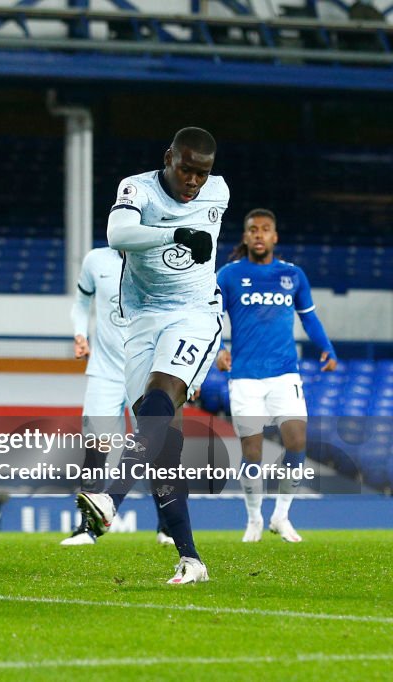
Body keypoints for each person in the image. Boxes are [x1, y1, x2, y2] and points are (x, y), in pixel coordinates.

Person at [75, 127, 228, 585]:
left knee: (161, 399)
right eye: (186, 169)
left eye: (202, 173)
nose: (194, 181)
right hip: (141, 320)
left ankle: (111, 496)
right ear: (168, 158)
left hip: (195, 315)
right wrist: (177, 232)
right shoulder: (135, 188)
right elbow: (118, 233)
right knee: (160, 444)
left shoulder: (218, 192)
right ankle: (191, 559)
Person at [216, 208, 337, 543]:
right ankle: (254, 518)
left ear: (274, 237)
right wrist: (217, 351)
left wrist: (327, 348)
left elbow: (309, 317)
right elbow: (209, 318)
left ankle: (281, 515)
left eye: (265, 229)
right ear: (245, 236)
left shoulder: (293, 275)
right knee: (252, 452)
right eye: (253, 229)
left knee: (297, 441)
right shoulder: (228, 275)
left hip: (285, 373)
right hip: (244, 377)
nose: (258, 234)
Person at [62, 247, 174, 547]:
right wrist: (80, 333)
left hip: (147, 372)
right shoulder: (95, 260)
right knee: (95, 444)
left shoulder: (159, 258)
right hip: (105, 371)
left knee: (154, 445)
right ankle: (87, 528)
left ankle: (167, 526)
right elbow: (82, 302)